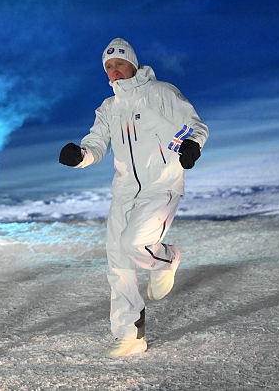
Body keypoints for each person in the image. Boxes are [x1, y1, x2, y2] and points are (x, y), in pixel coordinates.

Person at [59, 38, 208, 359]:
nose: (114, 71)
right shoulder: (109, 108)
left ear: (133, 64)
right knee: (118, 260)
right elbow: (96, 144)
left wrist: (190, 145)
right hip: (125, 191)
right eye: (108, 67)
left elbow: (192, 124)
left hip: (161, 185)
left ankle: (167, 258)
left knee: (135, 245)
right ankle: (129, 334)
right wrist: (80, 155)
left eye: (119, 64)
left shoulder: (160, 93)